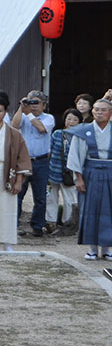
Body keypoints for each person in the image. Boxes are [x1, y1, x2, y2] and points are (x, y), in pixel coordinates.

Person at [0, 92, 31, 252]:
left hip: (8, 173)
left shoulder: (14, 134)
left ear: (5, 112)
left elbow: (22, 158)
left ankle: (7, 242)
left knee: (7, 209)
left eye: (0, 110)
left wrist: (18, 181)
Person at [66, 98, 112, 261]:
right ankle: (92, 248)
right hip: (89, 173)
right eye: (96, 109)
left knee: (109, 210)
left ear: (110, 113)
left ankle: (107, 248)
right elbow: (75, 155)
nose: (99, 112)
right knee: (90, 209)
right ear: (92, 111)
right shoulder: (82, 131)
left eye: (103, 110)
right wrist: (79, 178)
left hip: (110, 172)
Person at [12, 90, 55, 237]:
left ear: (44, 105)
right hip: (23, 161)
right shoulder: (23, 116)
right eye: (31, 102)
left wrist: (29, 114)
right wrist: (21, 108)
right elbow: (14, 125)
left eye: (37, 103)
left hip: (41, 161)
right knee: (18, 193)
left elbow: (41, 128)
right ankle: (14, 225)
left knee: (40, 196)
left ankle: (37, 226)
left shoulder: (48, 118)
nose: (34, 106)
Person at [48, 108, 83, 233]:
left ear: (79, 122)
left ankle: (67, 223)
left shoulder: (80, 137)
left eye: (75, 119)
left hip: (70, 172)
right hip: (54, 169)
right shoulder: (57, 133)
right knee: (51, 197)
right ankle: (50, 222)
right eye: (69, 118)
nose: (71, 121)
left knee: (69, 199)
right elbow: (50, 151)